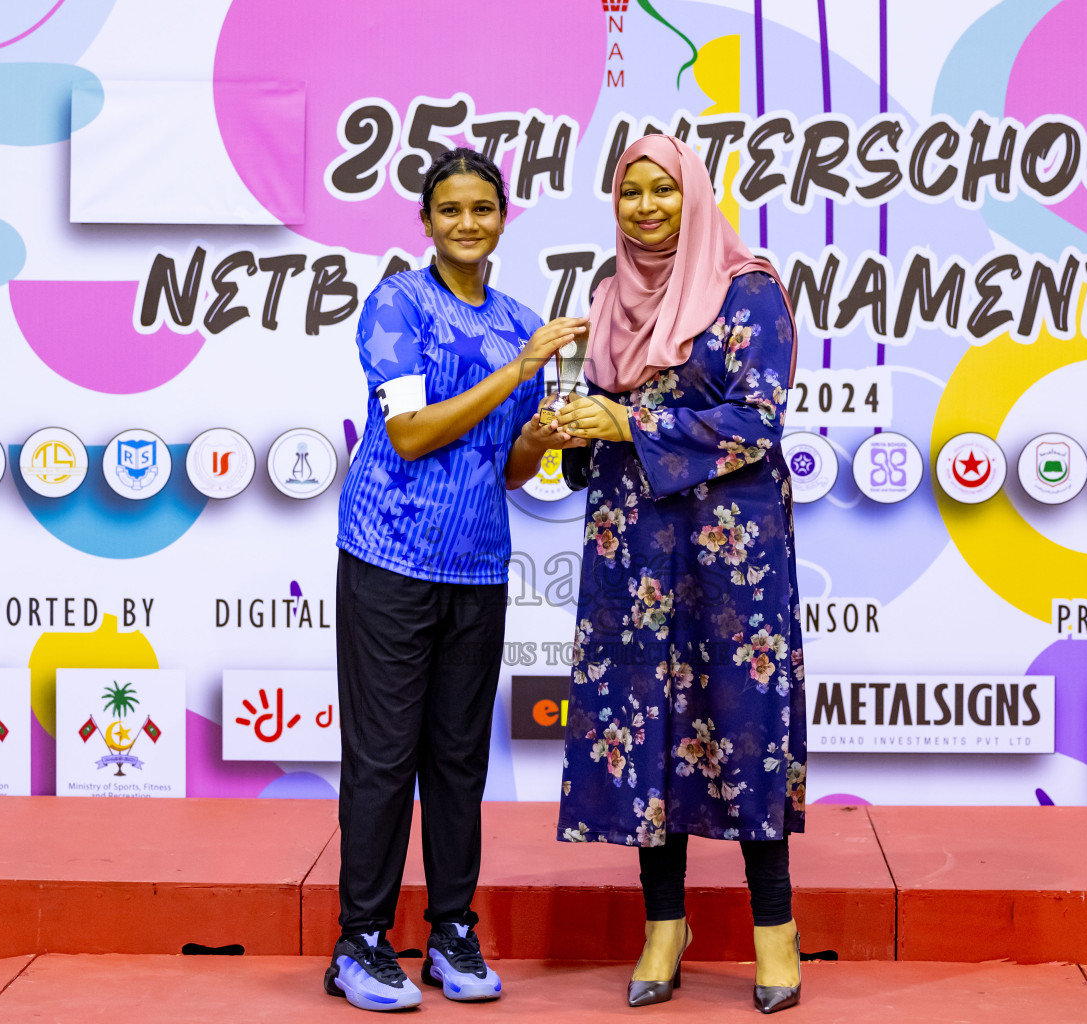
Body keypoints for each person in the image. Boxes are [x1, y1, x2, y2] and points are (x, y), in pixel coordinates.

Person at [553, 135, 807, 1014]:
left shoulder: (749, 291)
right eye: (632, 192)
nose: (648, 206)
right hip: (632, 551)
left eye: (665, 189)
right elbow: (601, 421)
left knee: (741, 723)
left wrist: (629, 425)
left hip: (729, 554)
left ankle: (775, 928)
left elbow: (756, 419)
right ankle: (666, 924)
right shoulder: (608, 294)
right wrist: (576, 435)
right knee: (644, 726)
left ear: (694, 196)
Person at [328, 146, 586, 1012]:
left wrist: (547, 434)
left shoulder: (521, 319)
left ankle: (450, 932)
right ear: (427, 222)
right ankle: (359, 943)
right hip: (389, 557)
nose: (467, 223)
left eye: (483, 208)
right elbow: (408, 434)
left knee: (457, 762)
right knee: (382, 758)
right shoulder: (398, 302)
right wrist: (516, 373)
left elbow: (505, 467)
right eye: (450, 211)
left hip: (477, 563)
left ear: (503, 217)